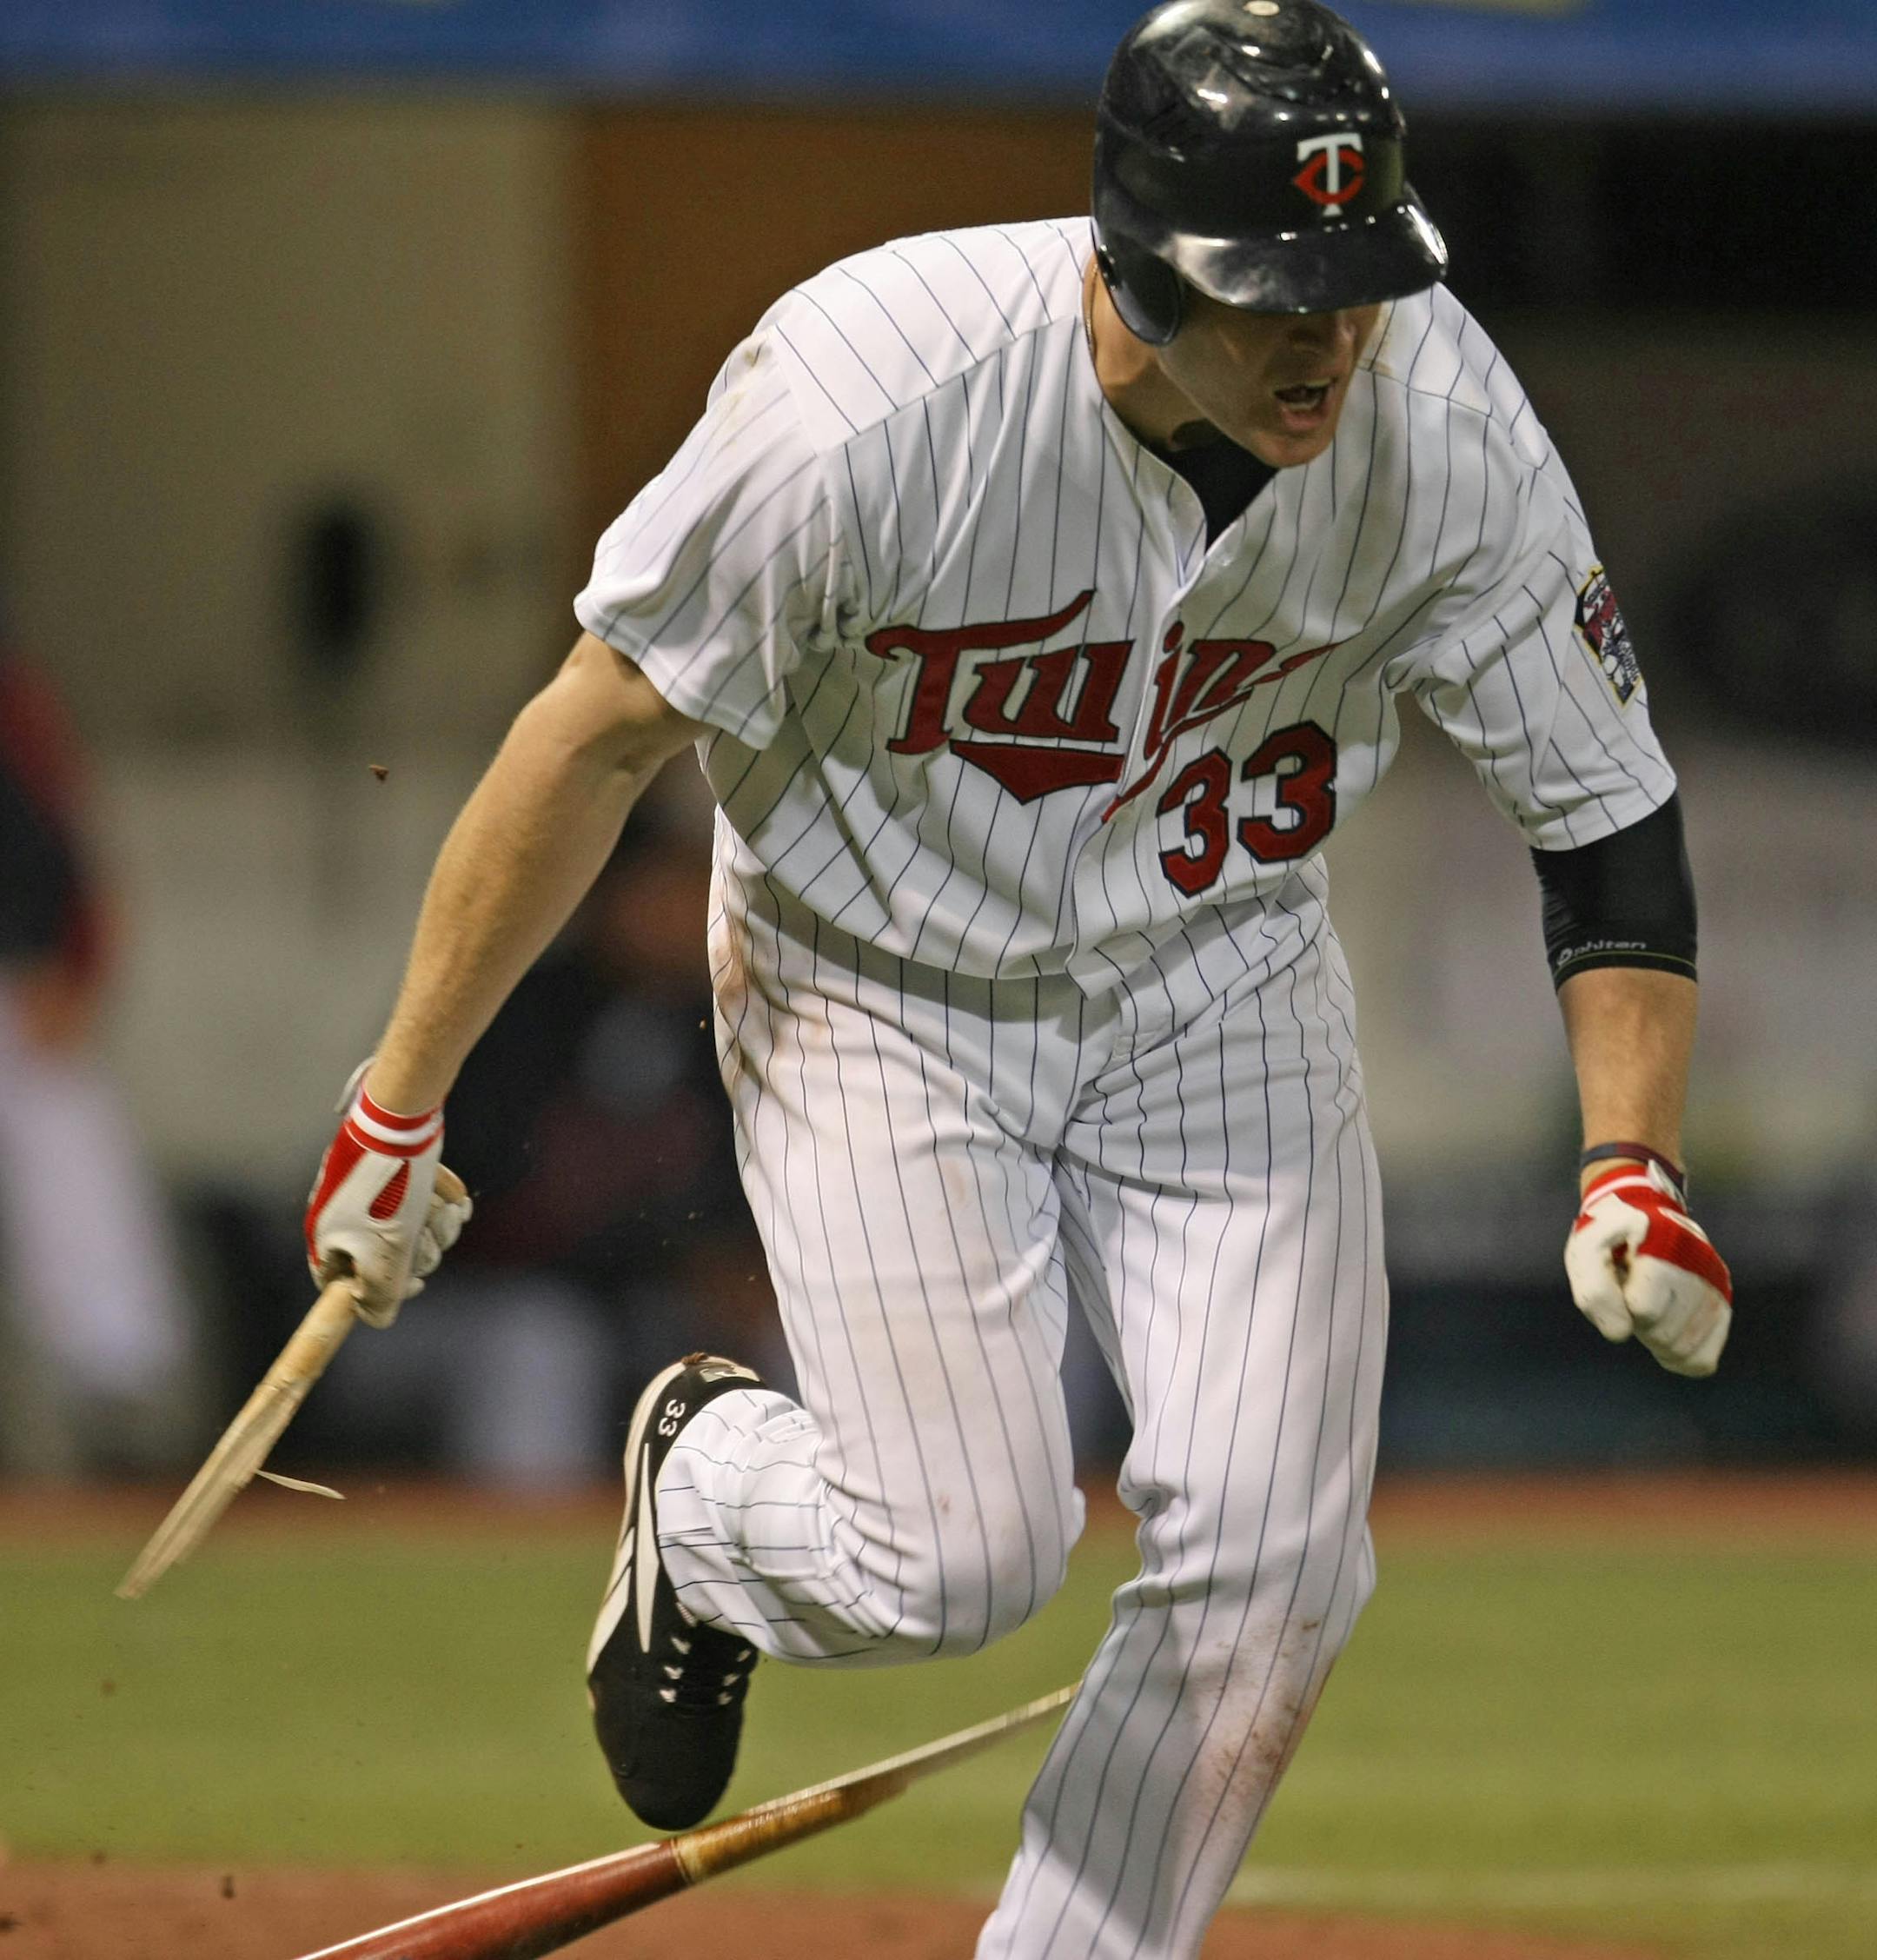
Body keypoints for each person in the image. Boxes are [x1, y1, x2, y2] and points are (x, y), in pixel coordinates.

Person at [302, 4, 1734, 1954]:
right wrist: (401, 1095)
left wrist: (1632, 1159)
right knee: (956, 1556)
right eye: (1277, 293)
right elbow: (593, 733)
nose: (1332, 339)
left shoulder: (1445, 430)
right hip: (873, 973)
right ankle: (709, 1507)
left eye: (1360, 284)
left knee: (1279, 1566)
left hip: (1220, 979)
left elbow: (1607, 818)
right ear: (1138, 270)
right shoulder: (865, 401)